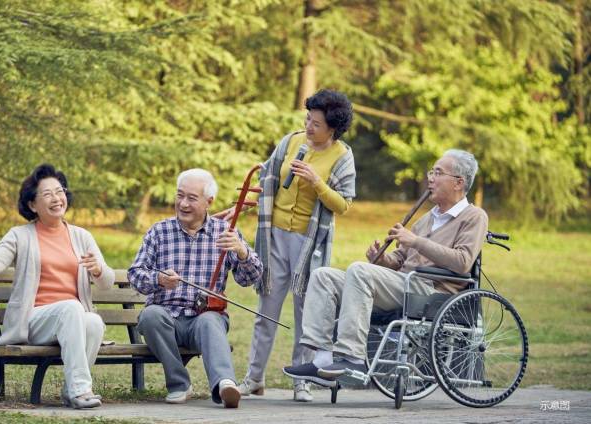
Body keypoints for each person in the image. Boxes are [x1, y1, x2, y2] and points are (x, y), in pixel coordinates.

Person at [282, 149, 488, 387]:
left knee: (359, 270)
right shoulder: (427, 219)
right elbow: (400, 260)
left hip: (433, 292)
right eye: (431, 172)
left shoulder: (474, 216)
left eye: (438, 173)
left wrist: (415, 241)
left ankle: (352, 358)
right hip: (404, 285)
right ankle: (322, 359)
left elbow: (463, 261)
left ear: (458, 183)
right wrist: (382, 260)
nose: (430, 178)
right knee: (323, 276)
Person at [214, 89, 356, 401]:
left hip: (309, 243)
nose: (309, 127)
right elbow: (268, 182)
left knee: (306, 314)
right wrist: (242, 205)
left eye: (316, 124)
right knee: (267, 310)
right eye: (308, 119)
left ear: (333, 128)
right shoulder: (291, 142)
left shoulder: (342, 157)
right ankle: (254, 378)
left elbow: (343, 204)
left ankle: (301, 382)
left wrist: (317, 182)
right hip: (275, 236)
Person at [0, 164, 114, 409]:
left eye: (60, 191)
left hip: (69, 319)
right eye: (47, 194)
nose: (56, 198)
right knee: (73, 308)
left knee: (93, 321)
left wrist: (98, 269)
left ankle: (71, 390)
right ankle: (82, 390)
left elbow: (107, 283)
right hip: (33, 320)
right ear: (32, 205)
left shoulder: (81, 236)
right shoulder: (20, 235)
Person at [128, 169, 263, 408]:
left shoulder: (225, 232)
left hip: (204, 319)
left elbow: (249, 278)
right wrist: (159, 279)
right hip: (166, 318)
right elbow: (135, 274)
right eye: (180, 196)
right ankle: (179, 384)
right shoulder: (159, 232)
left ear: (209, 202)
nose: (183, 203)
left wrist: (242, 252)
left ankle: (225, 384)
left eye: (191, 198)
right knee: (150, 316)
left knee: (210, 320)